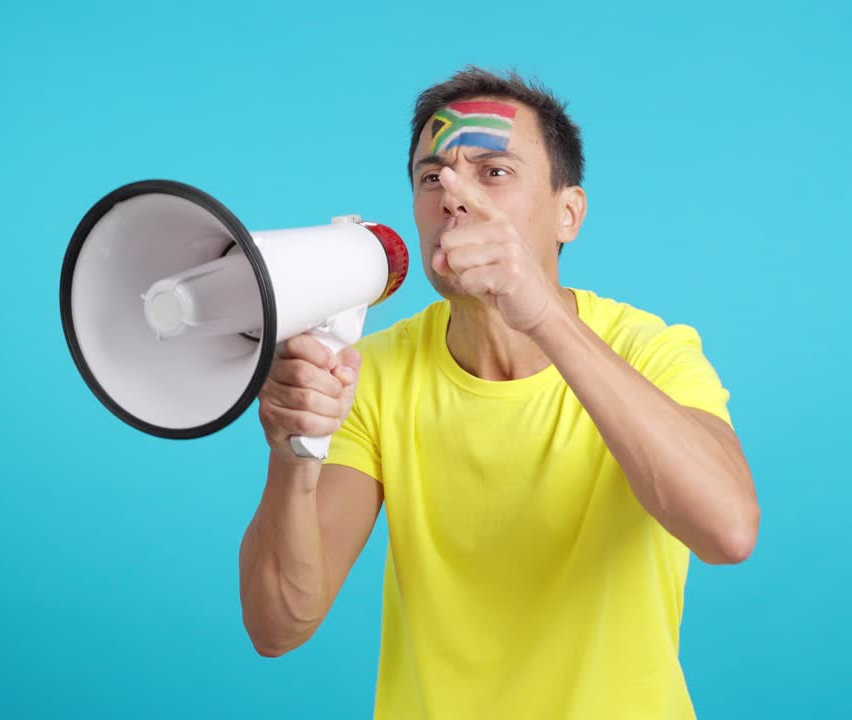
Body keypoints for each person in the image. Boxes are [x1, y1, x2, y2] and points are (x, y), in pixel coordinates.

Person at [239, 66, 759, 719]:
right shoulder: (368, 375)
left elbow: (729, 532)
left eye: (494, 172)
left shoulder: (651, 352)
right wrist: (294, 456)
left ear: (568, 213)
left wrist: (541, 314)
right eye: (433, 178)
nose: (454, 197)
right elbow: (277, 627)